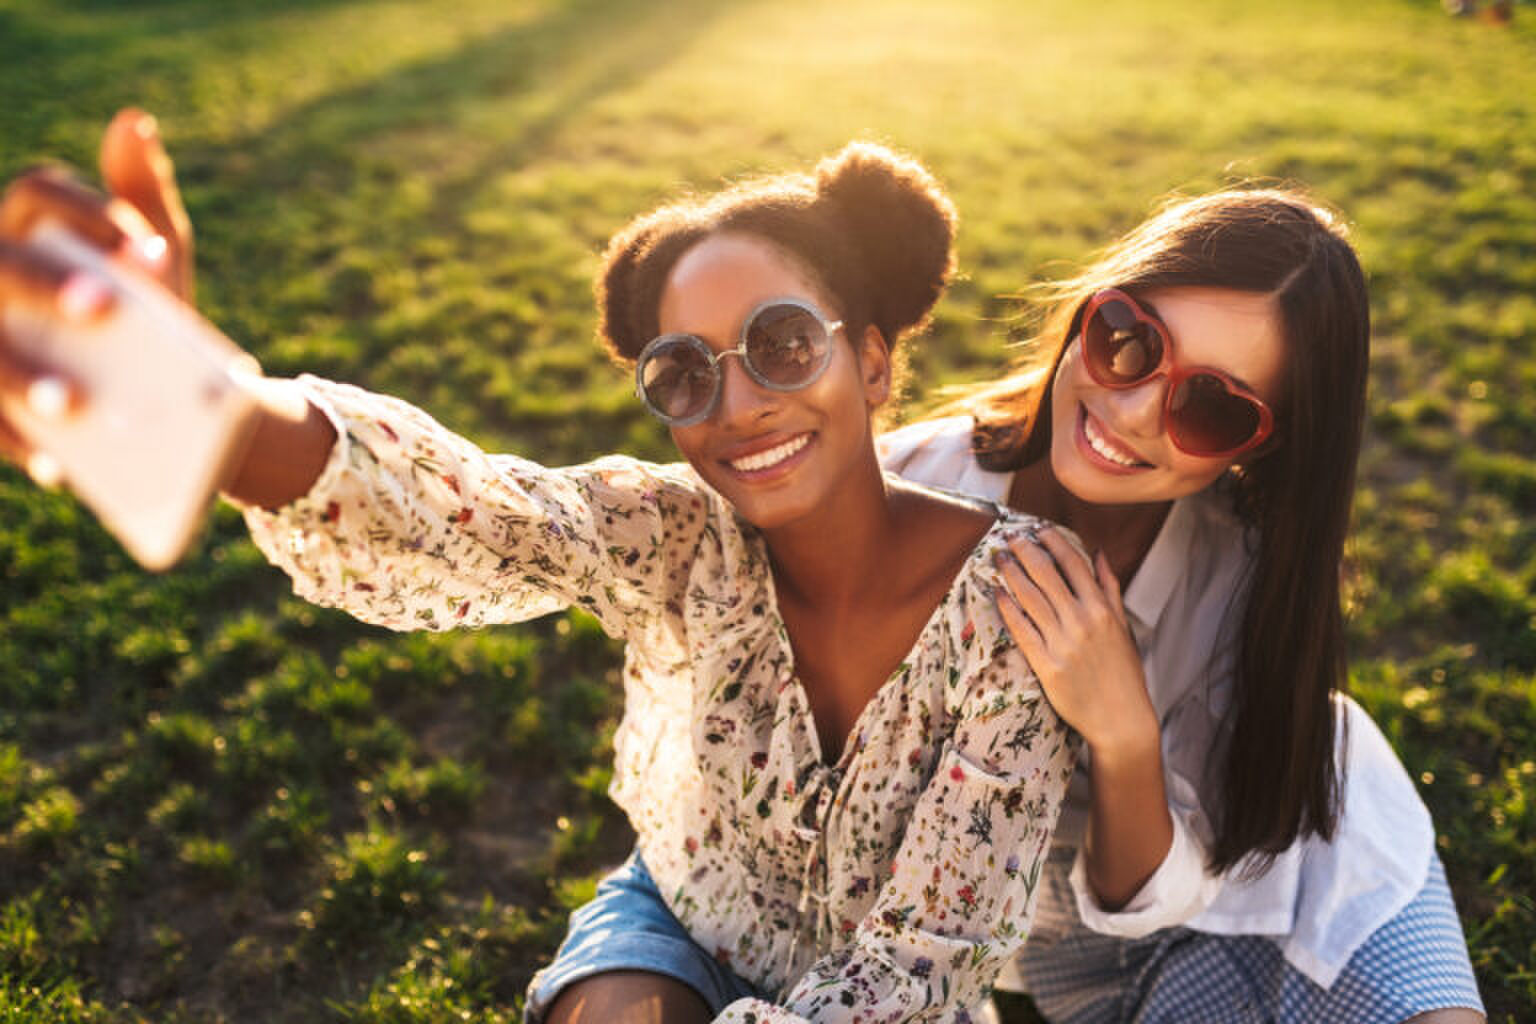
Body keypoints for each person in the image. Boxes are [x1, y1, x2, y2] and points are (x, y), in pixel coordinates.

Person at [0, 112, 1076, 1024]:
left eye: (784, 345)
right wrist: (217, 412)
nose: (739, 404)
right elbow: (471, 509)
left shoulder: (1016, 601)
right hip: (679, 915)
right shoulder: (676, 536)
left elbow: (920, 967)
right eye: (684, 373)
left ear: (874, 359)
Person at [879, 188, 1486, 1022]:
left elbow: (1187, 860)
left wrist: (1123, 729)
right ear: (1092, 308)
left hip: (1290, 829)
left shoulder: (1245, 576)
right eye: (1127, 341)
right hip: (1087, 918)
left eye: (1210, 408)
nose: (1129, 413)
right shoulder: (909, 486)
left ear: (1262, 443)